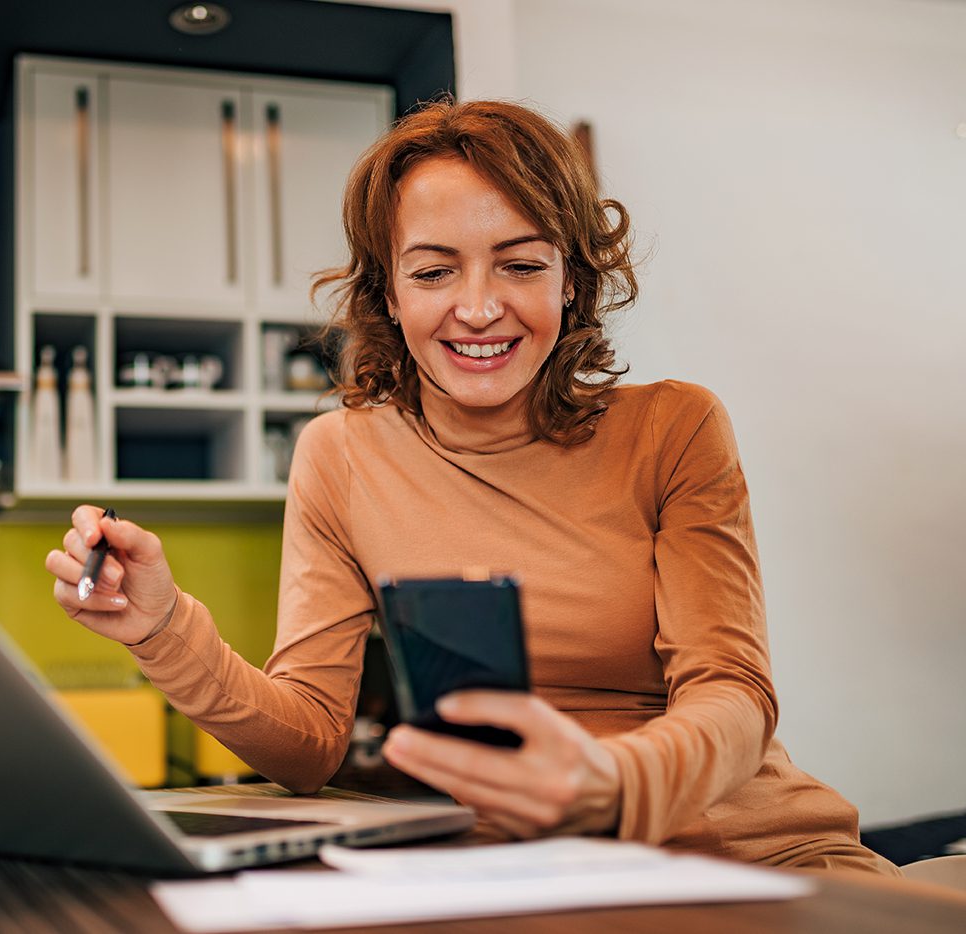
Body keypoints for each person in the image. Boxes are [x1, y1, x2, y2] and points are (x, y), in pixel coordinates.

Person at [44, 99, 895, 875]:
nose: (480, 308)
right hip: (501, 872)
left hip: (743, 852)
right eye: (434, 271)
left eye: (520, 265)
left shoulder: (675, 429)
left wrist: (612, 784)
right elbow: (310, 739)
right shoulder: (340, 456)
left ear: (573, 279)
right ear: (387, 291)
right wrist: (160, 631)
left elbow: (734, 691)